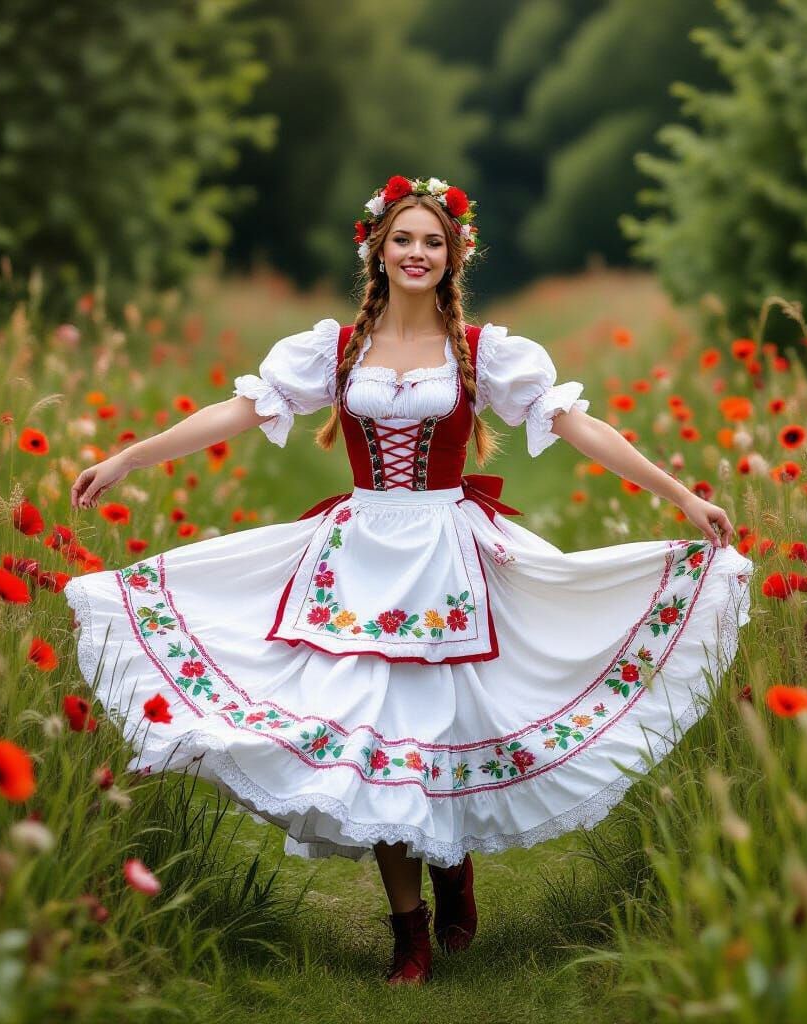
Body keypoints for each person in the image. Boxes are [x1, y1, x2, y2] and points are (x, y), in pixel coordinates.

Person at [67, 173, 754, 986]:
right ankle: (408, 931)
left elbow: (578, 425)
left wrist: (681, 496)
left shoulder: (482, 352)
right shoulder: (335, 349)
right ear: (377, 250)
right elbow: (237, 412)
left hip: (448, 557)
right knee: (371, 736)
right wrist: (129, 457)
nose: (417, 253)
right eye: (403, 239)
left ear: (454, 255)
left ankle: (452, 868)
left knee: (439, 729)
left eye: (433, 241)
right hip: (357, 558)